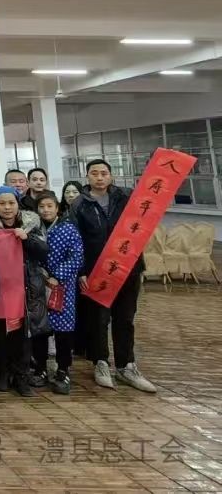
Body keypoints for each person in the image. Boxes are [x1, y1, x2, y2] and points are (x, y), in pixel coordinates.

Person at [71, 159, 155, 393]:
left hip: (128, 268)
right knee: (98, 319)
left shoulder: (126, 197)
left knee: (125, 318)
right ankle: (100, 363)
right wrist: (82, 271)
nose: (99, 177)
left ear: (111, 176)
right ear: (87, 176)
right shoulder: (79, 204)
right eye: (94, 173)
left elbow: (145, 219)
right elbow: (76, 240)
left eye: (104, 173)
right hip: (97, 270)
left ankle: (126, 366)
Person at [0, 186, 49, 397]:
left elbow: (43, 251)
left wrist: (26, 238)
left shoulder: (31, 224)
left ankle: (21, 377)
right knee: (1, 334)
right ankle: (3, 374)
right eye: (2, 203)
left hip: (26, 288)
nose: (7, 207)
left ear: (17, 204)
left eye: (11, 203)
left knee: (23, 335)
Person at [29, 191, 82, 395]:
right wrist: (38, 273)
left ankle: (63, 370)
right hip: (37, 285)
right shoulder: (33, 230)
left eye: (49, 206)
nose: (46, 210)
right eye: (41, 207)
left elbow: (76, 257)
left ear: (57, 208)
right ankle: (40, 368)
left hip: (62, 287)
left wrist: (57, 276)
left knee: (63, 330)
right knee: (39, 329)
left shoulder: (69, 229)